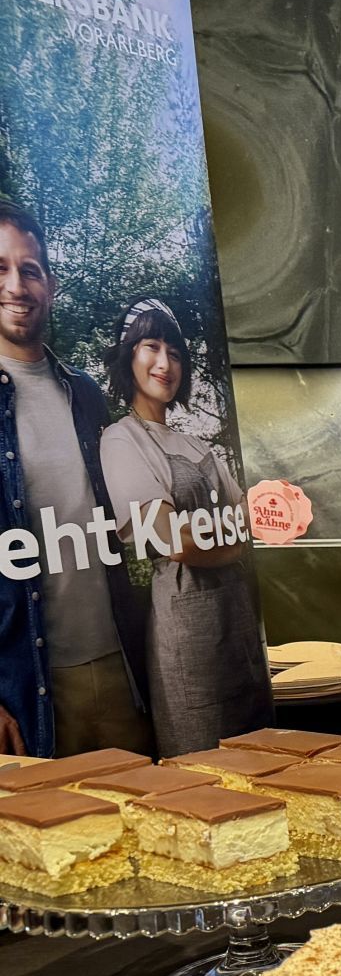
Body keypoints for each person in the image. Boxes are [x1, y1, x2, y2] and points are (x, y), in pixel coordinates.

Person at [0, 200, 150, 757]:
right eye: (0, 269)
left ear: (50, 284)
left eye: (30, 269)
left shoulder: (83, 392)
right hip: (25, 685)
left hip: (119, 666)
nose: (16, 285)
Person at [99, 298, 272, 755]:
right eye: (151, 347)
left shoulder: (195, 443)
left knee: (259, 754)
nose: (164, 363)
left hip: (237, 622)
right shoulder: (122, 439)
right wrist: (229, 543)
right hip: (184, 631)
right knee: (201, 764)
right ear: (128, 357)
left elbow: (247, 522)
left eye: (174, 353)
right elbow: (171, 541)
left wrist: (224, 536)